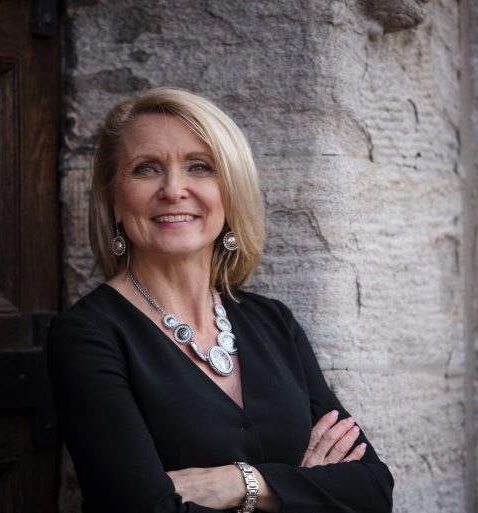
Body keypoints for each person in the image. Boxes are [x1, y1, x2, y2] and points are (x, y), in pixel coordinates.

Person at [47, 87, 394, 513]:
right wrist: (304, 490)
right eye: (146, 169)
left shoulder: (273, 322)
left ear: (231, 192)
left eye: (199, 167)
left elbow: (372, 490)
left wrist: (237, 483)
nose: (173, 189)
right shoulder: (86, 336)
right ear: (114, 199)